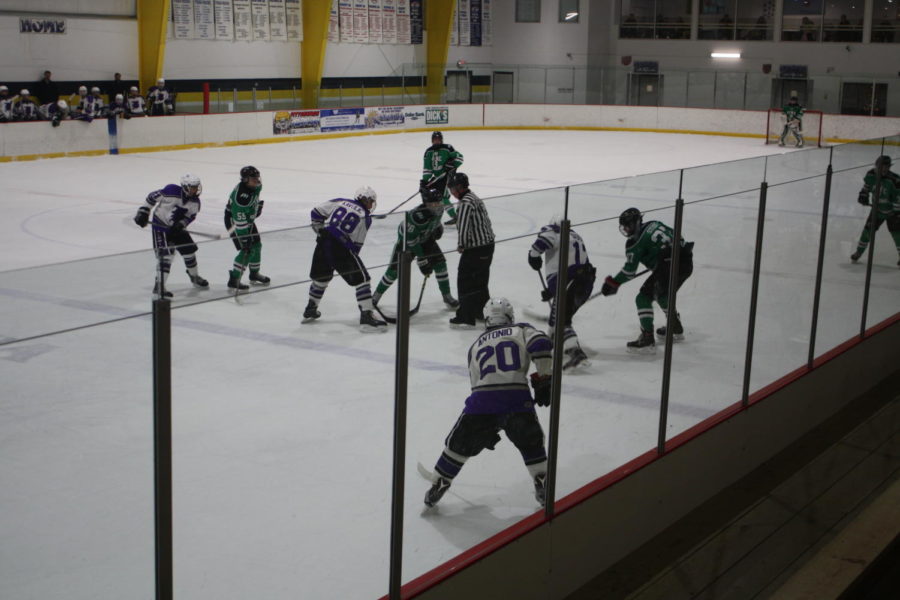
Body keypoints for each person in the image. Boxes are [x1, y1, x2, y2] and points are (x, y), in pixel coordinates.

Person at [423, 297, 553, 508]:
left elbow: (476, 383)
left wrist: (489, 423)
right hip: (516, 399)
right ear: (509, 316)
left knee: (458, 444)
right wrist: (545, 377)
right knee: (531, 441)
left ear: (487, 319)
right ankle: (541, 479)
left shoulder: (475, 346)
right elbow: (542, 344)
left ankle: (440, 481)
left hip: (481, 403)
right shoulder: (521, 330)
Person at [600, 208, 694, 354]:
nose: (625, 229)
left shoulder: (634, 244)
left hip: (668, 269)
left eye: (628, 225)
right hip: (686, 263)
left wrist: (614, 282)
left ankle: (647, 338)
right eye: (624, 226)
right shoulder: (654, 224)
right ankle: (675, 327)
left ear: (637, 223)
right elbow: (679, 238)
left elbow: (629, 272)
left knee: (642, 298)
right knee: (662, 294)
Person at [303, 186, 387, 332]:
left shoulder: (341, 201)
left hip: (324, 241)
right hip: (341, 248)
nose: (371, 205)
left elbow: (316, 212)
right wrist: (347, 261)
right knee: (363, 279)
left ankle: (310, 309)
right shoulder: (365, 218)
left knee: (321, 278)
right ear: (366, 200)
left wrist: (320, 231)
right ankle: (367, 318)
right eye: (371, 201)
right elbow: (356, 246)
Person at [372, 186, 458, 309]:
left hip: (425, 238)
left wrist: (438, 228)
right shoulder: (417, 217)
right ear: (426, 203)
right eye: (433, 203)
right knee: (394, 271)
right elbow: (412, 241)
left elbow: (435, 221)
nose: (437, 205)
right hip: (406, 241)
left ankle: (447, 295)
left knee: (440, 264)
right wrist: (422, 259)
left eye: (439, 202)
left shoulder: (438, 210)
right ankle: (375, 297)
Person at [527, 217, 596, 369]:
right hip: (587, 280)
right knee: (558, 319)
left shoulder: (553, 231)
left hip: (570, 279)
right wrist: (553, 290)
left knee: (561, 320)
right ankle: (551, 346)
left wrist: (533, 256)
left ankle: (576, 353)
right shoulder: (575, 235)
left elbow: (542, 242)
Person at [133, 174, 209, 298]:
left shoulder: (195, 202)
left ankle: (194, 276)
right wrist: (143, 211)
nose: (195, 190)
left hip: (177, 229)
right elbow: (151, 197)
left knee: (189, 251)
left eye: (196, 187)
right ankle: (159, 285)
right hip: (160, 228)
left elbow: (190, 216)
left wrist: (181, 224)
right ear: (185, 187)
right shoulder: (170, 191)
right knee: (166, 256)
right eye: (192, 187)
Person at [448, 172, 495, 328]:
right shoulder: (474, 197)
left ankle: (466, 316)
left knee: (465, 281)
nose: (452, 192)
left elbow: (463, 227)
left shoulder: (465, 203)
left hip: (476, 248)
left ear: (460, 188)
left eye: (453, 189)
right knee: (480, 280)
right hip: (488, 245)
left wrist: (461, 245)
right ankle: (482, 311)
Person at [225, 166, 271, 291]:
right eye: (253, 178)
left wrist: (256, 210)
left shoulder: (255, 186)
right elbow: (239, 220)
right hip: (235, 222)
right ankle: (234, 279)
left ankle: (254, 274)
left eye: (257, 177)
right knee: (247, 250)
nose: (257, 180)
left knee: (257, 245)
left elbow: (254, 198)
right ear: (245, 180)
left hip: (247, 219)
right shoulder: (241, 198)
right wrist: (244, 238)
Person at [850, 155, 900, 267]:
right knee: (867, 232)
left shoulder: (895, 180)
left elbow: (899, 197)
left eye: (886, 167)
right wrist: (863, 195)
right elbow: (866, 187)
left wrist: (897, 211)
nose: (884, 169)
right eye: (881, 166)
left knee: (897, 235)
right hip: (876, 211)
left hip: (892, 213)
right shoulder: (871, 175)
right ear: (877, 165)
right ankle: (858, 252)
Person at [421, 131, 464, 226]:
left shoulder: (448, 148)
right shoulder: (428, 152)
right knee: (439, 197)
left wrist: (452, 164)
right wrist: (425, 180)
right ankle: (454, 215)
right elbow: (427, 168)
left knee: (443, 197)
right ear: (432, 141)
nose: (437, 141)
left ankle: (456, 216)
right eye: (435, 140)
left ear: (441, 140)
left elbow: (460, 158)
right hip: (437, 177)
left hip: (448, 176)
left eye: (438, 139)